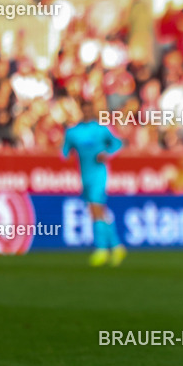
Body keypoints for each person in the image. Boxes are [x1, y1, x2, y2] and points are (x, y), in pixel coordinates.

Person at [62, 99, 126, 267]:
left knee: (96, 208)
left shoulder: (101, 129)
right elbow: (64, 152)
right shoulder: (73, 132)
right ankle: (117, 246)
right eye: (85, 109)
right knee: (98, 210)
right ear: (81, 111)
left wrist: (107, 153)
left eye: (90, 109)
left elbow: (117, 143)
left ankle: (101, 249)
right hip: (85, 175)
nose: (88, 112)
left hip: (99, 173)